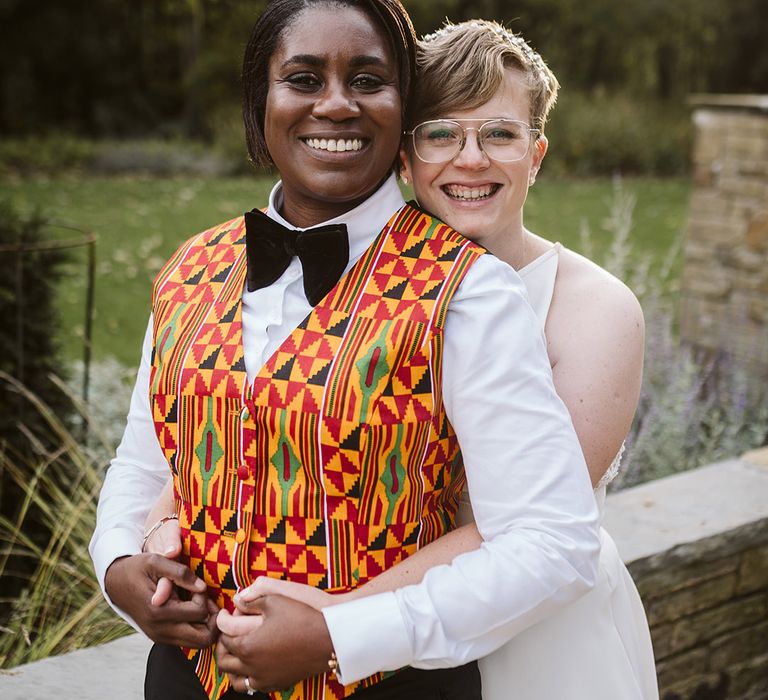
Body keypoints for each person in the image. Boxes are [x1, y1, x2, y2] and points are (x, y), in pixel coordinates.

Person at [91, 3, 600, 699]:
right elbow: (142, 461)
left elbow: (553, 542)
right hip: (182, 680)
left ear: (402, 113)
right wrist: (118, 561)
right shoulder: (189, 268)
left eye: (367, 80)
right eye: (302, 78)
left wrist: (341, 635)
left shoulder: (470, 294)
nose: (335, 104)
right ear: (260, 102)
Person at [226, 18, 659, 700]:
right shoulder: (342, 281)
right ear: (405, 156)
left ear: (536, 154)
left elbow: (521, 528)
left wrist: (334, 625)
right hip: (383, 651)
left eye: (500, 134)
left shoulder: (597, 311)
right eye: (440, 133)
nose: (471, 159)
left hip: (535, 640)